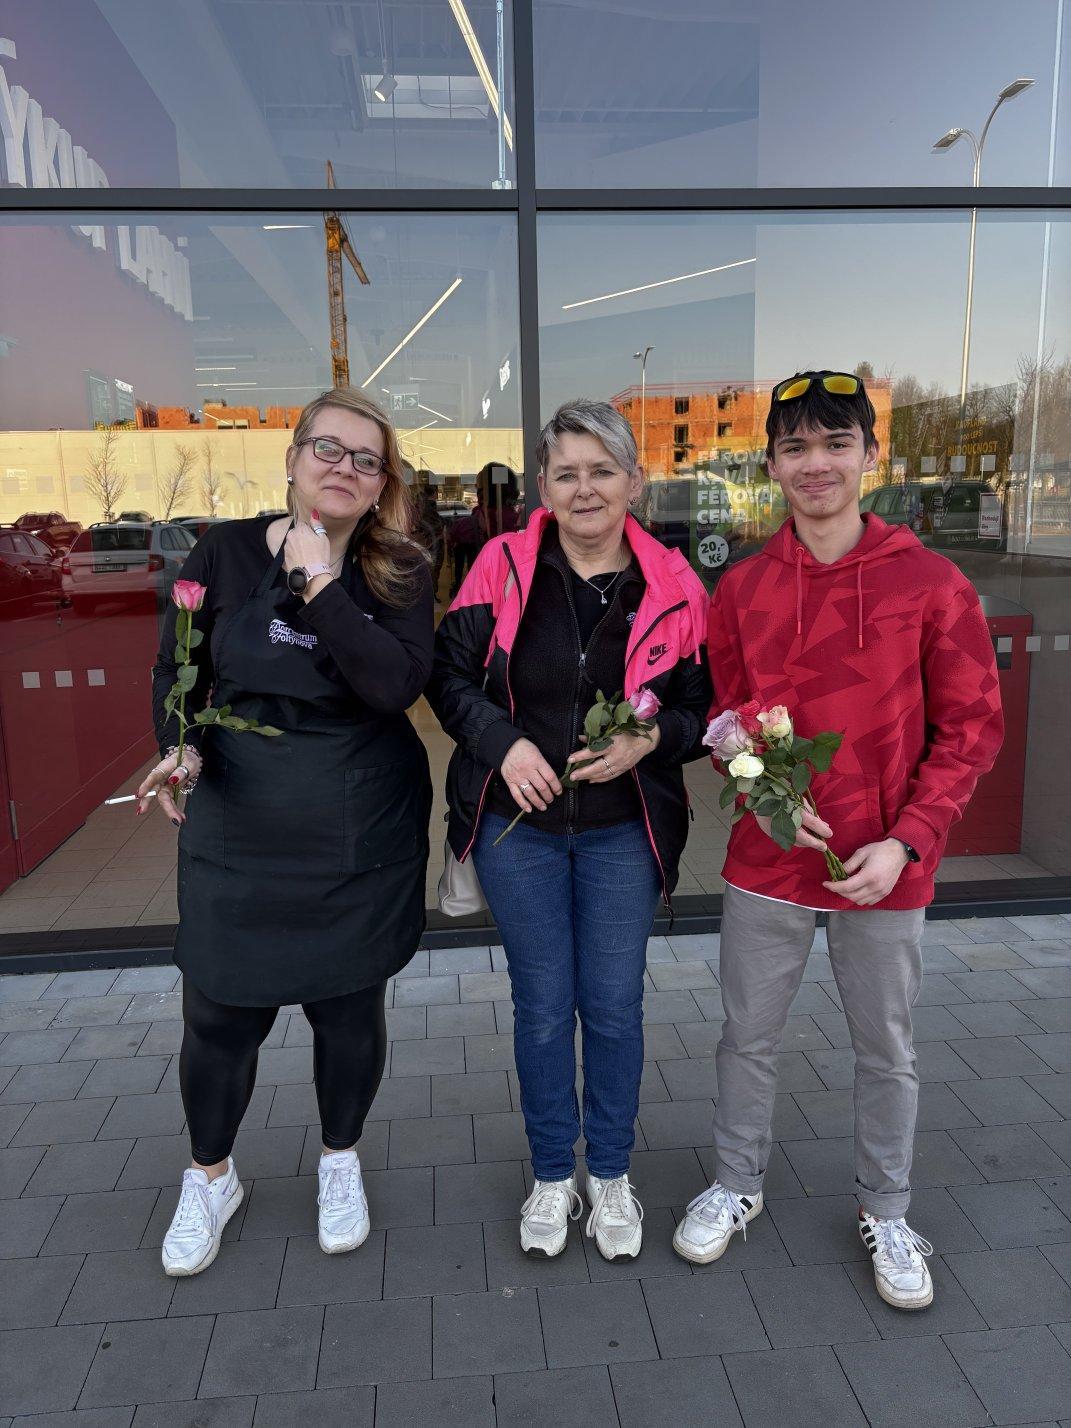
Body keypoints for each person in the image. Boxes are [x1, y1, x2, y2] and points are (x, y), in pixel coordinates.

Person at [673, 370, 1003, 1310]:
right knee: (746, 1038)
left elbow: (971, 728)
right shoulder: (741, 588)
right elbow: (726, 720)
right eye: (795, 447)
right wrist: (764, 796)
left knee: (885, 1048)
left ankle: (886, 1209)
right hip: (768, 861)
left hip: (884, 867)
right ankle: (736, 1182)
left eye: (834, 443)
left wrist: (909, 840)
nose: (814, 463)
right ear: (771, 464)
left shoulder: (930, 584)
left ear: (869, 455)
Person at [140, 387, 434, 1277]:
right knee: (218, 1012)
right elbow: (176, 668)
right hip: (240, 820)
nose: (344, 468)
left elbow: (393, 685)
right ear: (294, 457)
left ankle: (339, 1162)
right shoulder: (223, 551)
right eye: (327, 449)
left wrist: (319, 584)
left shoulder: (400, 569)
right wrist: (178, 746)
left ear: (382, 484)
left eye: (366, 460)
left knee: (346, 1010)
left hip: (356, 826)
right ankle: (210, 1176)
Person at [428, 399, 711, 1262]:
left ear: (634, 481)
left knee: (614, 1008)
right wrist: (502, 742)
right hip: (520, 835)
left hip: (625, 834)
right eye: (566, 473)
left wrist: (648, 741)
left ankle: (611, 1172)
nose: (584, 489)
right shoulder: (501, 565)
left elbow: (702, 710)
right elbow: (447, 679)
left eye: (601, 471)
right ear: (542, 487)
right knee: (545, 1008)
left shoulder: (674, 584)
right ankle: (554, 1173)